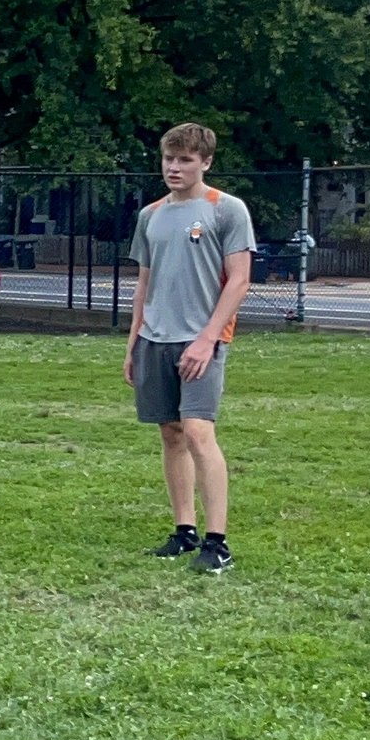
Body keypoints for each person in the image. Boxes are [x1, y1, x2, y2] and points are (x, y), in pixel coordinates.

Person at [124, 121, 254, 574]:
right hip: (154, 339)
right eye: (169, 159)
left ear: (206, 162)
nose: (175, 168)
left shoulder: (226, 210)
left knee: (199, 432)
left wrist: (206, 339)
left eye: (185, 160)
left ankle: (218, 544)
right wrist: (133, 343)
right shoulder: (151, 215)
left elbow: (239, 281)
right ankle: (185, 532)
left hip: (202, 341)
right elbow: (144, 284)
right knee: (170, 433)